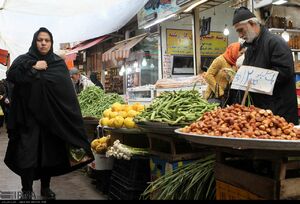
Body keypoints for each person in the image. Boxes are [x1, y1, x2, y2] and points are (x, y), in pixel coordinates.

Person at [4, 27, 94, 200]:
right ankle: (26, 191)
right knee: (27, 155)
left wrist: (71, 118)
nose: (43, 43)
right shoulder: (24, 60)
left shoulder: (57, 64)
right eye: (40, 40)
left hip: (51, 119)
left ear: (51, 43)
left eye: (47, 40)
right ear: (34, 41)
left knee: (48, 155)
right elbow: (12, 76)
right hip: (28, 119)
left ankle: (45, 187)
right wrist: (33, 67)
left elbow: (66, 94)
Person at [232, 7, 298, 124]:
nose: (240, 35)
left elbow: (285, 71)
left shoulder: (275, 42)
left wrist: (255, 79)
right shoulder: (251, 48)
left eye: (241, 30)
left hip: (279, 113)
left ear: (252, 23)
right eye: (238, 32)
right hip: (261, 113)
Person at [203, 42, 245, 106]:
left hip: (225, 97)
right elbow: (208, 75)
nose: (241, 55)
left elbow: (232, 78)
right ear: (235, 51)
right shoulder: (220, 60)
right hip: (214, 96)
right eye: (241, 53)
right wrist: (219, 92)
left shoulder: (234, 64)